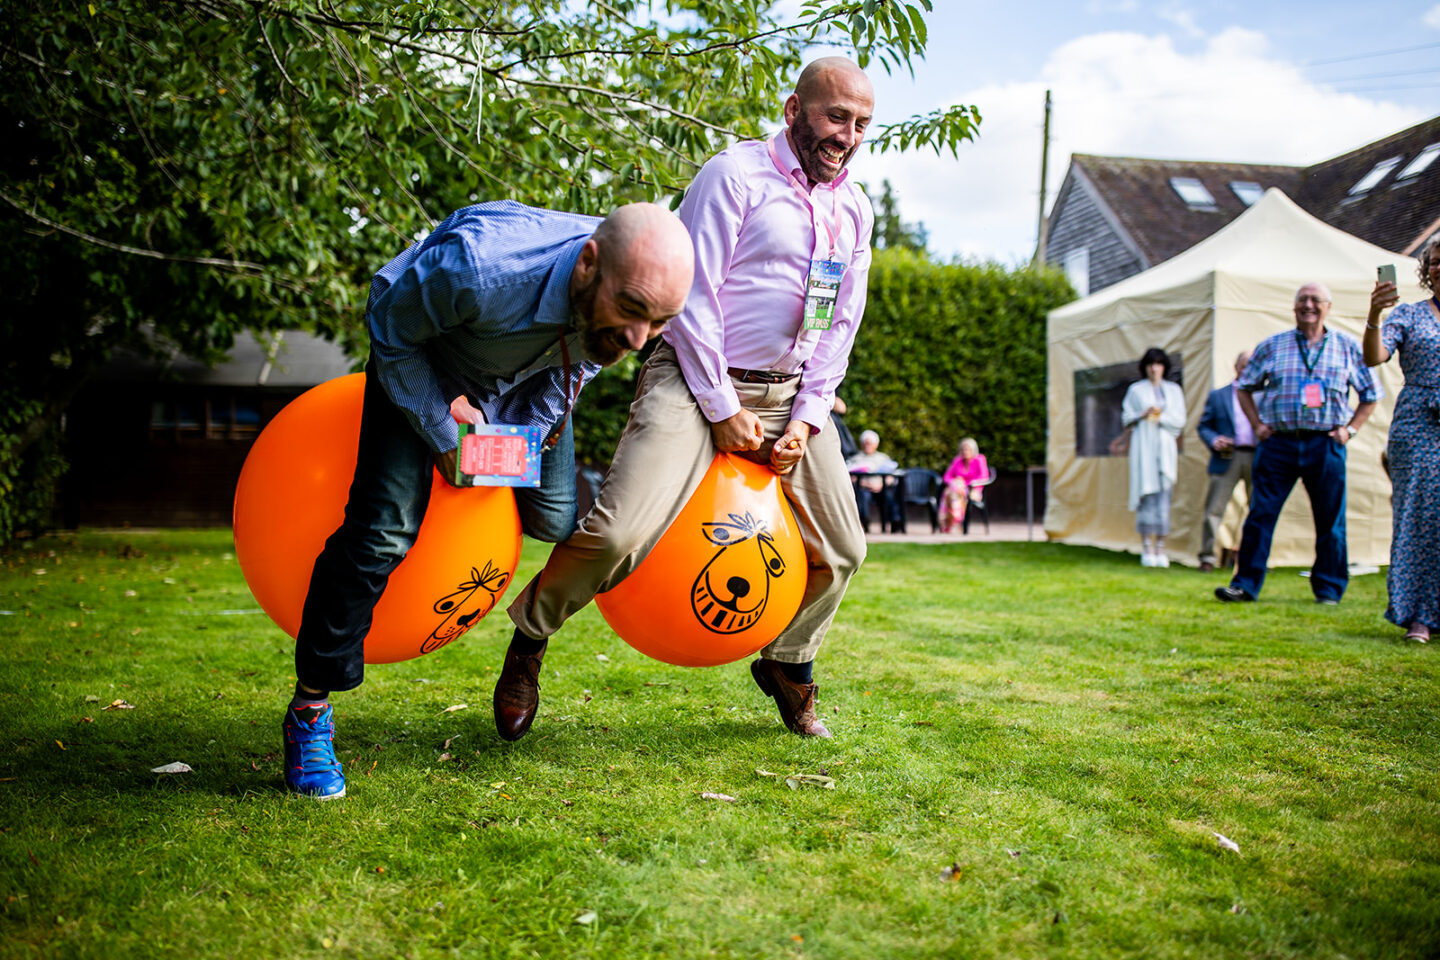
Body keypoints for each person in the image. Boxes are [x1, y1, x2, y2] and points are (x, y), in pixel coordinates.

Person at [496, 56, 875, 742]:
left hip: (792, 394)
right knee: (618, 532)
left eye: (860, 124)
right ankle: (529, 638)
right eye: (834, 116)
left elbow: (841, 322)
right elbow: (691, 299)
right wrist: (723, 405)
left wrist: (811, 415)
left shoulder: (855, 208)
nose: (845, 135)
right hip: (696, 377)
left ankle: (788, 662)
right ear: (794, 109)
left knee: (845, 549)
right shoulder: (733, 177)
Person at [282, 200, 696, 798]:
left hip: (529, 387)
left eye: (658, 323)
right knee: (383, 532)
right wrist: (447, 434)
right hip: (424, 366)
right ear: (587, 265)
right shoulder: (480, 268)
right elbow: (389, 326)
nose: (637, 341)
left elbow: (573, 371)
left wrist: (503, 431)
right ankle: (309, 712)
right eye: (631, 313)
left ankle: (525, 644)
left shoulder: (630, 301)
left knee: (556, 519)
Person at [1216, 282, 1379, 605]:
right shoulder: (1272, 346)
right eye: (1302, 300)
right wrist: (1258, 425)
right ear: (1293, 308)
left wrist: (1350, 430)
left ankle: (1329, 589)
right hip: (1279, 443)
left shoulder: (1347, 347)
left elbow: (1370, 396)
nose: (1308, 305)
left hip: (1326, 443)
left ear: (1328, 307)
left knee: (1330, 519)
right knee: (1261, 514)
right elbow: (1244, 387)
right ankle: (1245, 585)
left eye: (1315, 300)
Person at [1363, 237, 1440, 643]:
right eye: (1437, 262)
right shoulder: (1409, 315)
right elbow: (1375, 357)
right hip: (1419, 425)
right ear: (1426, 271)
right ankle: (1419, 616)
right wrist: (1376, 312)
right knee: (1420, 516)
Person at [1122, 348, 1186, 567]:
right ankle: (1146, 546)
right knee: (1146, 498)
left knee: (1163, 499)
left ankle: (1161, 547)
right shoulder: (1136, 390)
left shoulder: (1173, 390)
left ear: (1164, 367)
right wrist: (1143, 414)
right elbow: (1126, 417)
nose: (1154, 368)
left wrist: (1161, 416)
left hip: (1164, 447)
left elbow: (1179, 420)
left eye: (1158, 364)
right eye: (1150, 364)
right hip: (1143, 448)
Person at [1196, 351, 1257, 572]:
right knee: (1214, 509)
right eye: (1244, 365)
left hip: (1256, 456)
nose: (1247, 370)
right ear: (1236, 367)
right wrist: (1214, 440)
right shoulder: (1218, 396)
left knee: (1259, 510)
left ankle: (1254, 559)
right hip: (1226, 457)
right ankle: (1207, 557)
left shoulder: (1264, 396)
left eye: (1252, 366)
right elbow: (1203, 426)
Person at [846, 429, 901, 531]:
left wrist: (882, 484)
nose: (868, 446)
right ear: (862, 444)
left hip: (881, 487)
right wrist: (864, 484)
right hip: (863, 487)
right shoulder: (855, 459)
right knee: (862, 496)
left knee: (889, 496)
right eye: (866, 443)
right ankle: (865, 521)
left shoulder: (883, 458)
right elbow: (849, 476)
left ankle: (895, 521)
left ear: (876, 444)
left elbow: (892, 475)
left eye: (870, 443)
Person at [940, 438, 988, 534]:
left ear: (974, 450)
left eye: (968, 449)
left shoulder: (980, 459)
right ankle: (956, 521)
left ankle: (951, 522)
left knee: (951, 493)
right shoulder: (957, 461)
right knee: (952, 491)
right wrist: (956, 481)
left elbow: (983, 477)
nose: (965, 451)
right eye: (963, 449)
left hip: (973, 491)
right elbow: (946, 477)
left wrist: (964, 483)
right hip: (956, 490)